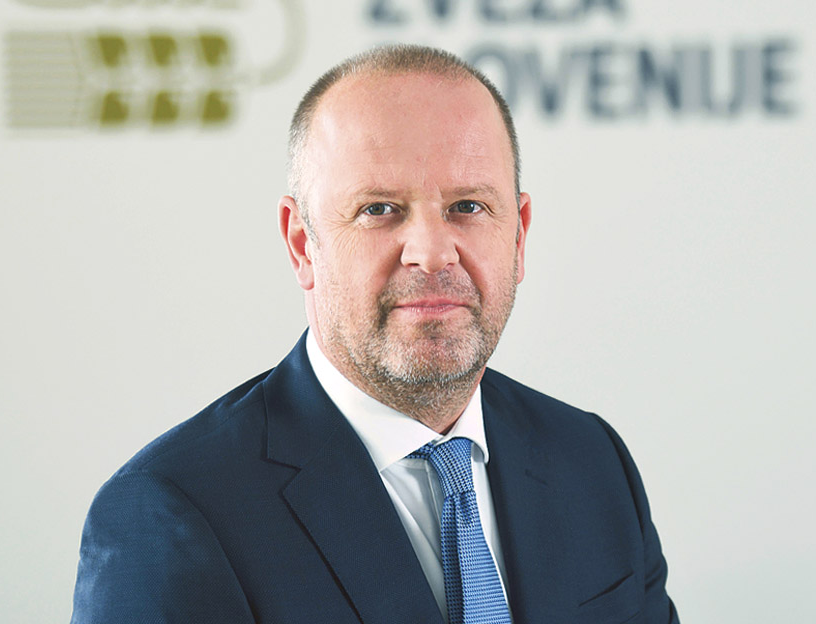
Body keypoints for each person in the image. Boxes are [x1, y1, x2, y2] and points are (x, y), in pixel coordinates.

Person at [71, 44, 679, 624]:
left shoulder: (592, 462)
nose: (432, 253)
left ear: (519, 236)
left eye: (468, 206)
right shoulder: (170, 514)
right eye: (379, 209)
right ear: (302, 243)